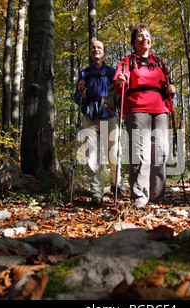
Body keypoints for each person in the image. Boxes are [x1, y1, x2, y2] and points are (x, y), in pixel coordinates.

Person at [113, 24, 176, 209]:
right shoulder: (127, 61)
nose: (144, 38)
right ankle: (140, 195)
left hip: (160, 109)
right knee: (141, 153)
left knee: (161, 152)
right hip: (136, 108)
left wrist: (171, 89)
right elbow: (118, 85)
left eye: (147, 35)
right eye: (140, 36)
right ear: (134, 42)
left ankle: (158, 194)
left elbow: (167, 86)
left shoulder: (159, 63)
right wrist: (120, 81)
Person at [74, 40, 124, 206]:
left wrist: (121, 87)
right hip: (90, 116)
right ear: (90, 52)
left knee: (114, 152)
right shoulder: (84, 73)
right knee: (91, 155)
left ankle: (116, 185)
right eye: (93, 48)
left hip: (109, 115)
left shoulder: (111, 71)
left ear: (103, 52)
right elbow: (76, 99)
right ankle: (96, 192)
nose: (96, 50)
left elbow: (119, 92)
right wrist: (82, 92)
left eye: (99, 48)